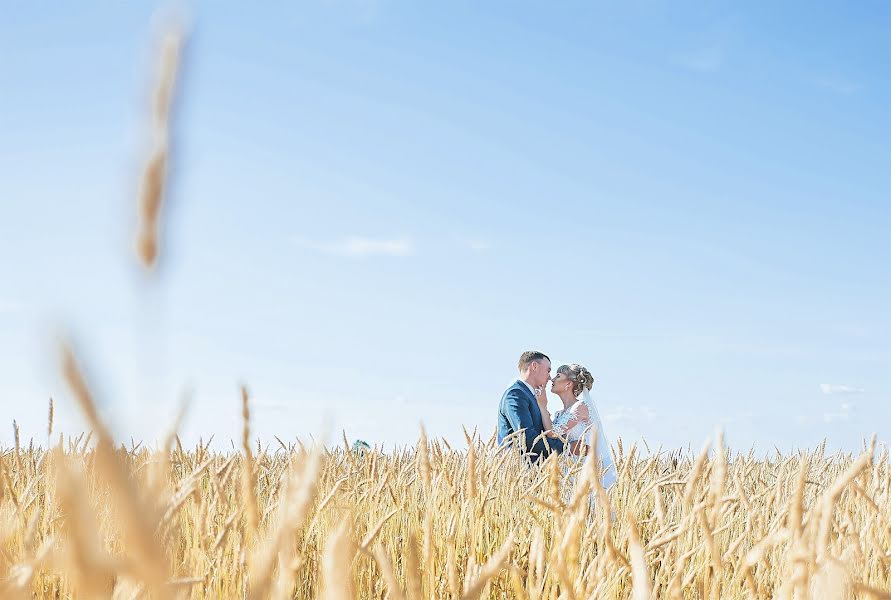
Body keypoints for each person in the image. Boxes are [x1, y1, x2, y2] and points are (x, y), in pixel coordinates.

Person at [542, 363, 616, 488]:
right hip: (569, 470)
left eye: (558, 376)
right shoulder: (559, 414)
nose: (552, 379)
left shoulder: (581, 407)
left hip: (585, 471)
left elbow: (552, 433)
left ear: (568, 384)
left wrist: (542, 405)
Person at [497, 351, 564, 462]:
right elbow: (527, 438)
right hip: (520, 470)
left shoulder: (530, 395)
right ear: (534, 366)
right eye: (548, 371)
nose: (549, 377)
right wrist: (567, 447)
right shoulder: (515, 394)